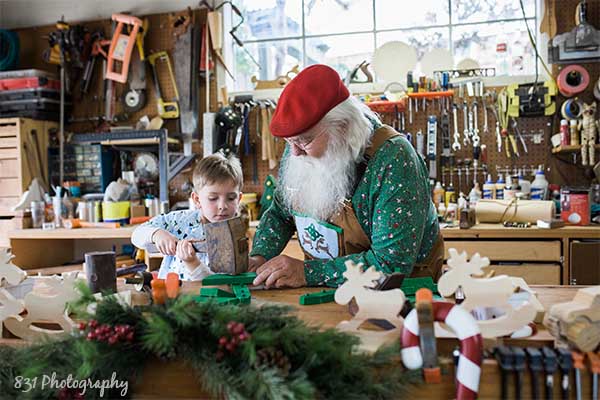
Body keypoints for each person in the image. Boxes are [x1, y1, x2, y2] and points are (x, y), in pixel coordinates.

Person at [249, 64, 442, 288]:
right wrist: (259, 257)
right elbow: (282, 213)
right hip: (324, 295)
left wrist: (307, 273)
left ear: (343, 127)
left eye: (304, 141)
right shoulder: (299, 151)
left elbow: (391, 266)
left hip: (399, 302)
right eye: (289, 142)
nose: (294, 153)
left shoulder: (394, 160)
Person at [132, 152, 243, 280]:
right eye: (213, 198)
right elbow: (136, 236)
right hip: (173, 296)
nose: (222, 206)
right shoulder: (178, 220)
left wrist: (193, 264)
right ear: (196, 200)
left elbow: (219, 287)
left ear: (239, 198)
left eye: (231, 198)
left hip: (206, 298)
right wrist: (156, 234)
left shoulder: (233, 232)